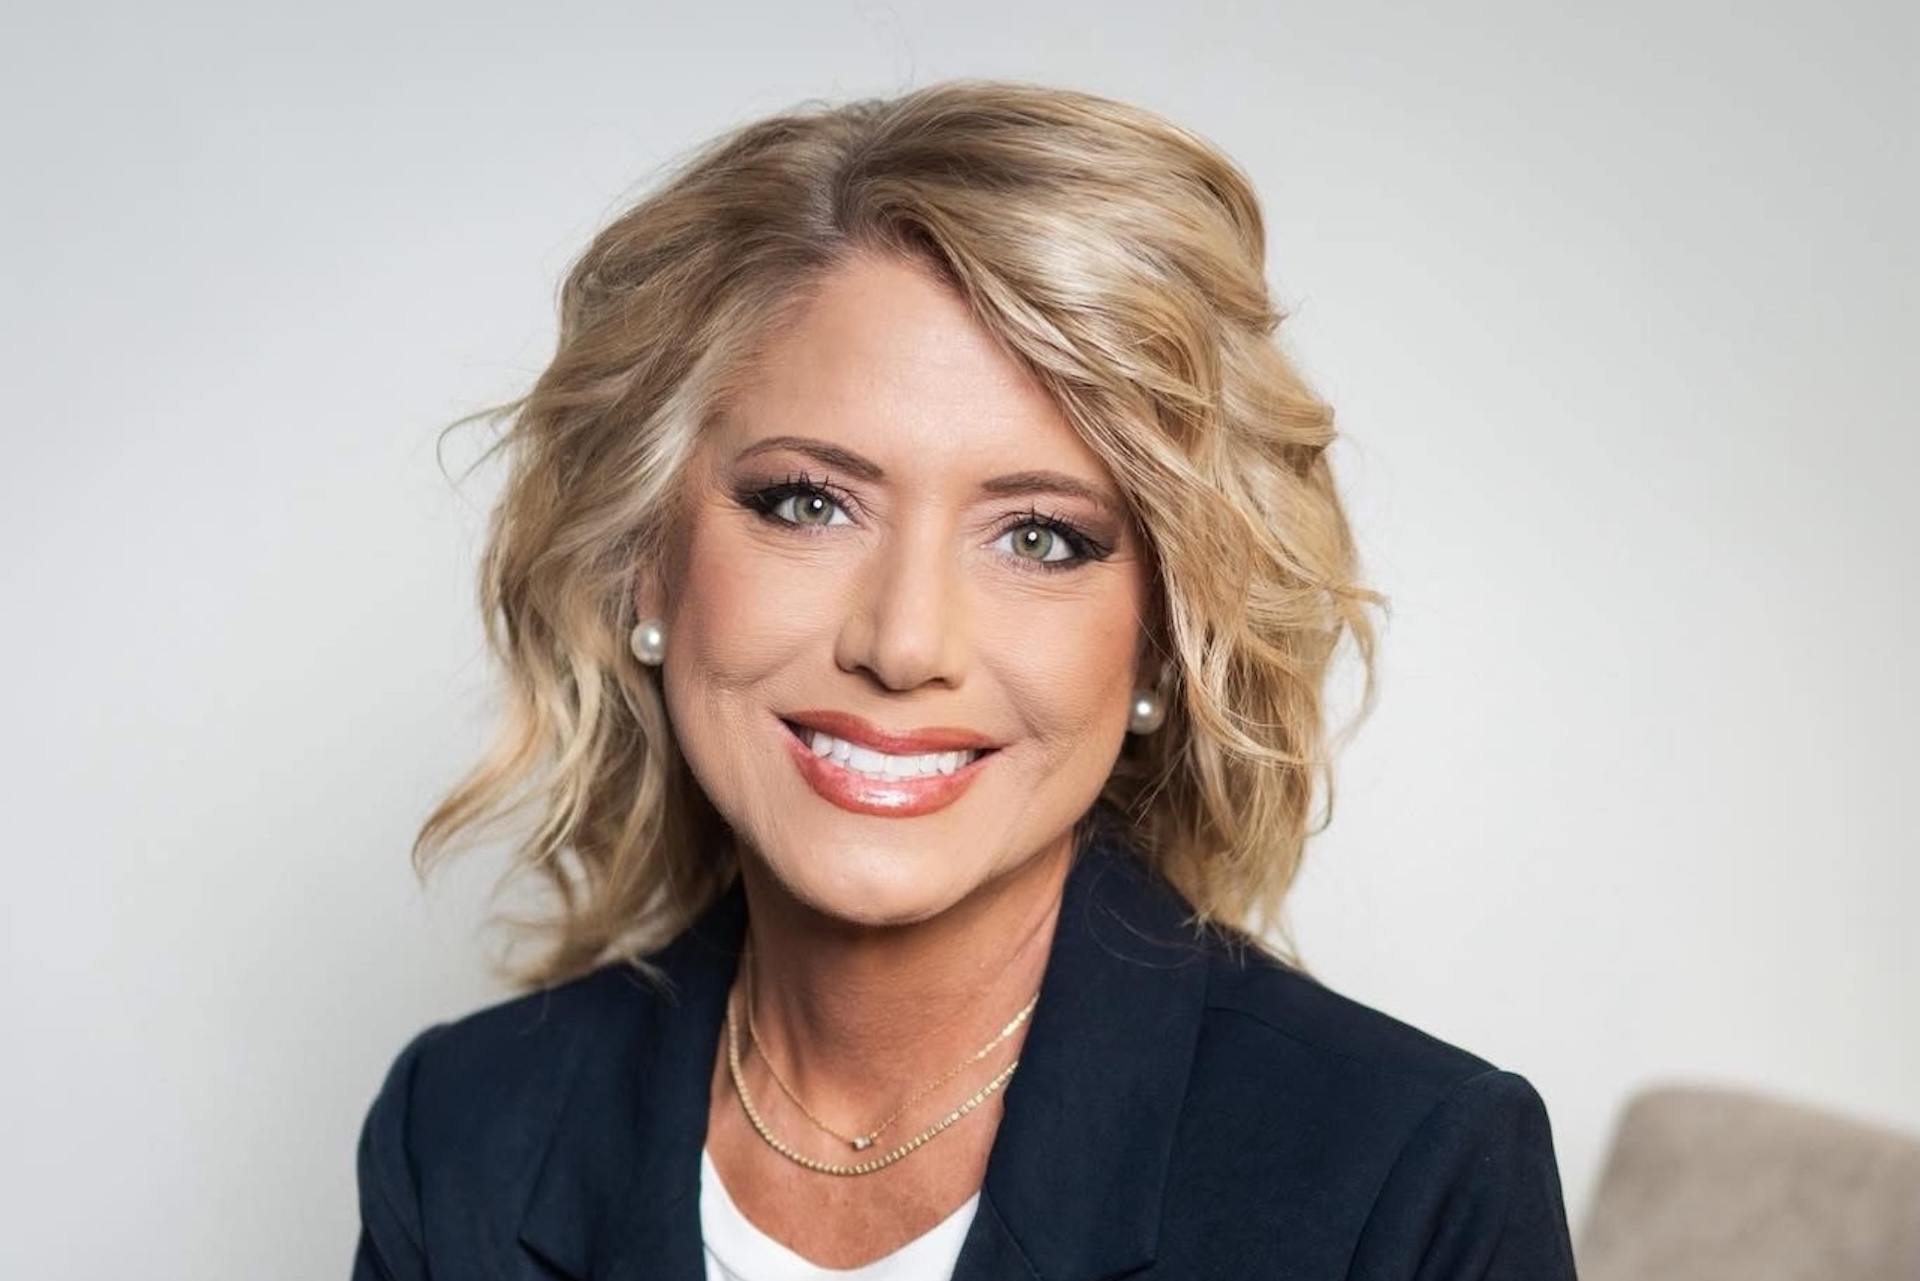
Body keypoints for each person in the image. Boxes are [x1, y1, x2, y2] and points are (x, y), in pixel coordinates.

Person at [353, 81, 1577, 1280]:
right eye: (809, 502)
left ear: (1165, 637)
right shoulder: (459, 1128)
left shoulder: (1408, 1178)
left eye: (1042, 536)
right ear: (646, 568)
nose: (903, 642)